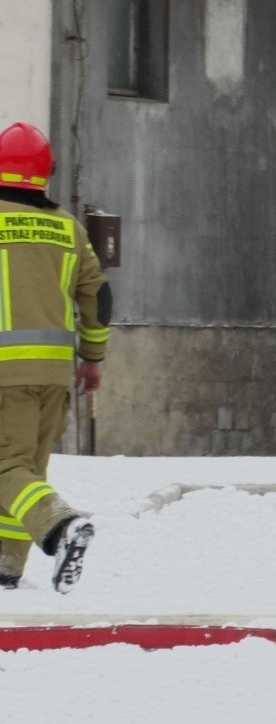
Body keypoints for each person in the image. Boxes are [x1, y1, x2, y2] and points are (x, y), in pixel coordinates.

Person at [0, 122, 110, 593]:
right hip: (51, 374)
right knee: (26, 469)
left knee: (6, 467)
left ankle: (61, 526)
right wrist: (92, 358)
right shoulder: (69, 227)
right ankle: (6, 566)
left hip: (4, 372)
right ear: (46, 174)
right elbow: (98, 296)